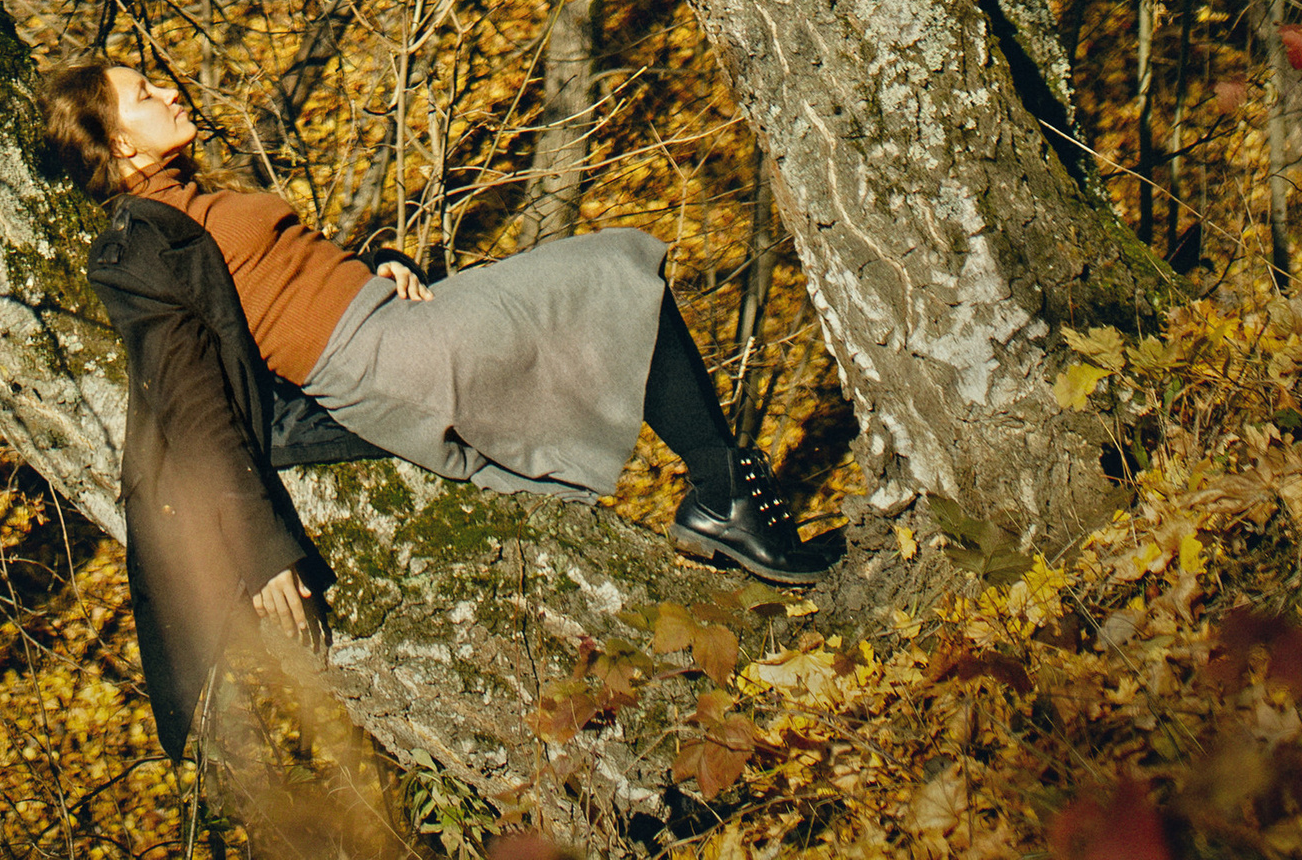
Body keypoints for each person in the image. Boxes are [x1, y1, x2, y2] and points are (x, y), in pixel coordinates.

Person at [40, 50, 835, 695]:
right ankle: (723, 496)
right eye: (145, 94)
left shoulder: (196, 200)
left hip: (397, 321)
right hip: (382, 360)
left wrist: (381, 262)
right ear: (119, 146)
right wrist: (258, 551)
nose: (170, 91)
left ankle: (723, 496)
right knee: (614, 269)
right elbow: (190, 402)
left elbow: (284, 281)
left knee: (616, 271)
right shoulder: (138, 244)